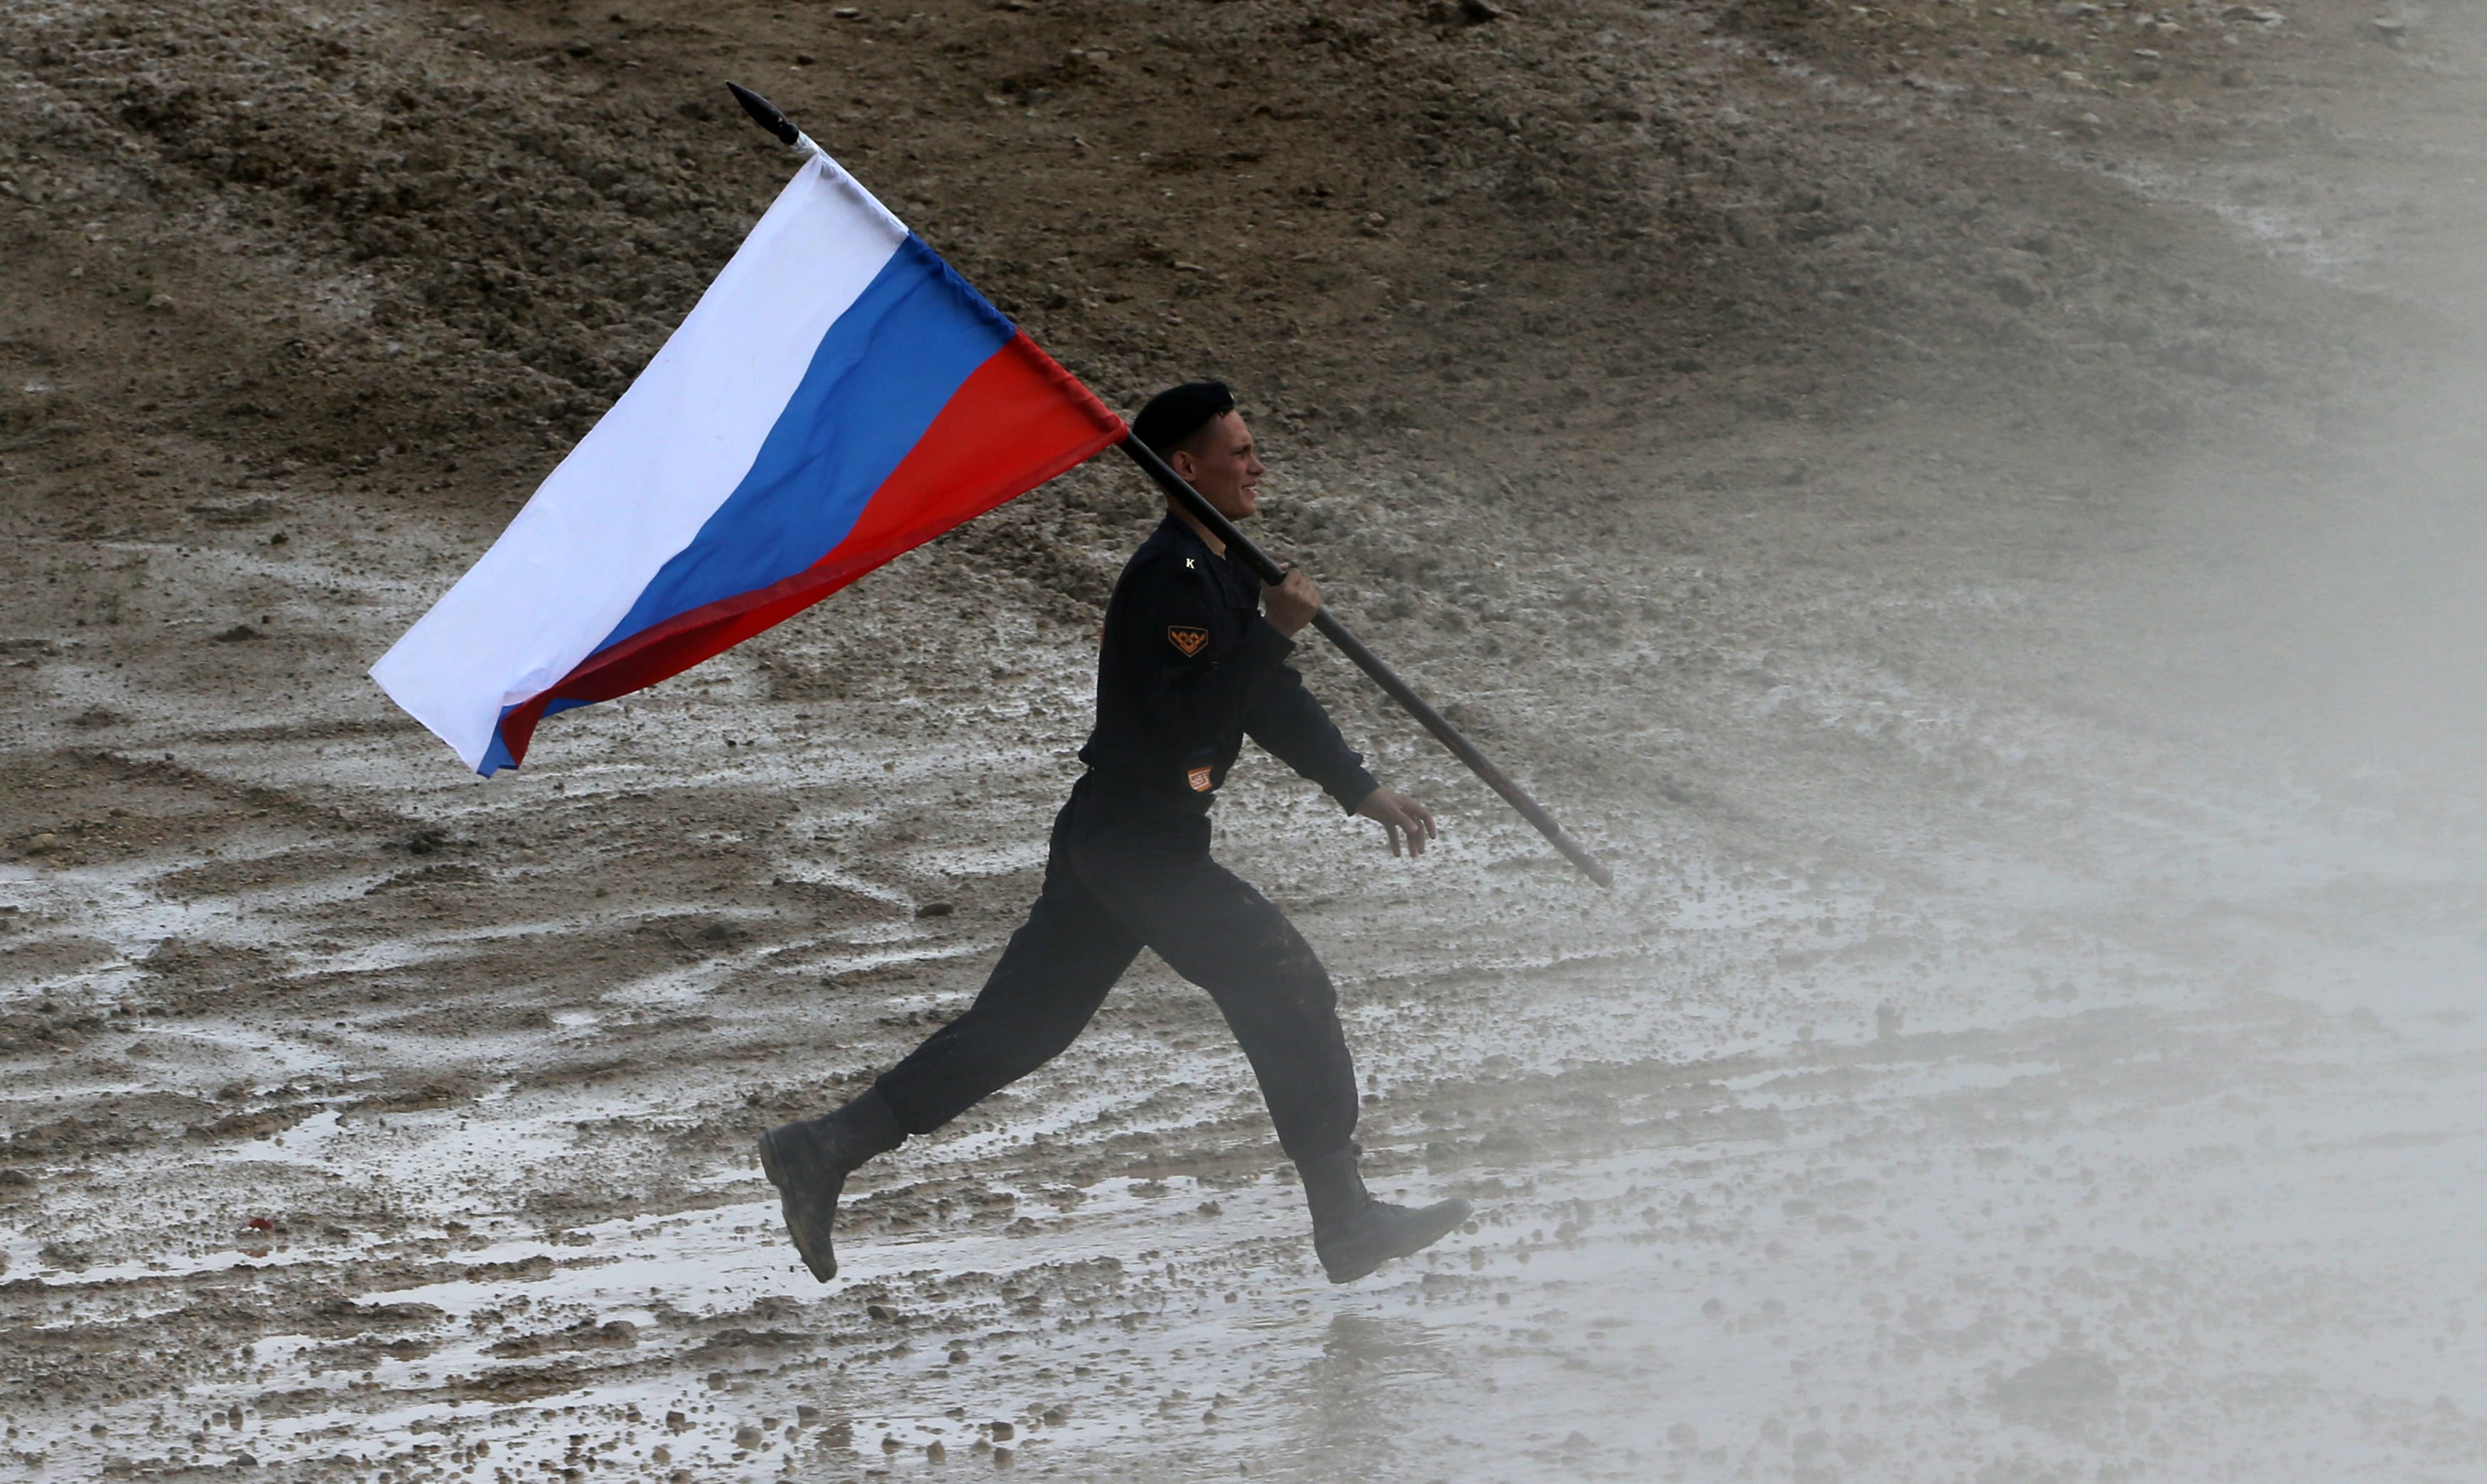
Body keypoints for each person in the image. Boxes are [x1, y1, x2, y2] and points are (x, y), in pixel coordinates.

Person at [760, 382, 1470, 1284]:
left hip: (1123, 837)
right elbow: (1193, 720)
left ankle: (822, 1147)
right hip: (1139, 844)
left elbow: (1265, 699)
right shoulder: (1170, 577)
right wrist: (1272, 635)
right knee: (1286, 983)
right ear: (1185, 466)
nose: (1257, 464)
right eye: (1238, 451)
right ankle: (1345, 1217)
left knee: (1025, 1026)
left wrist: (1355, 784)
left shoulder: (1218, 563)